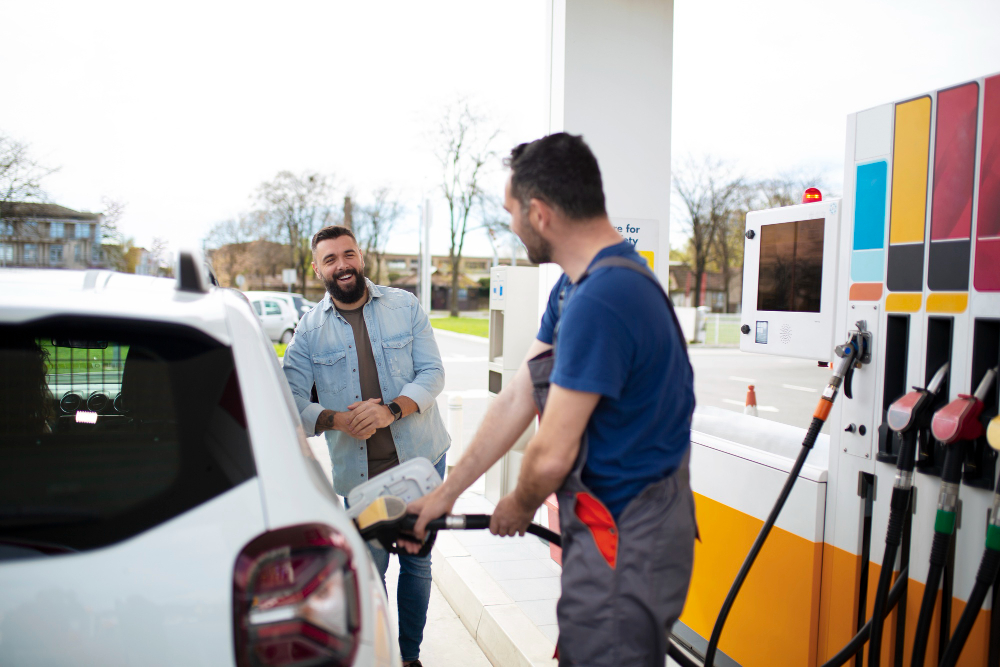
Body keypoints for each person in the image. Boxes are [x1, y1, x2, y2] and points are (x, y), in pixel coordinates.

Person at [409, 133, 697, 666]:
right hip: (606, 529)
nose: (511, 225)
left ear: (539, 214)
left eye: (511, 213)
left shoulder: (605, 297)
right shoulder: (574, 287)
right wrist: (445, 495)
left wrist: (516, 505)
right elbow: (519, 393)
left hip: (625, 540)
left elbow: (552, 452)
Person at [282, 225, 449, 667]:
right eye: (331, 259)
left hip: (420, 462)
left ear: (361, 257)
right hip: (364, 479)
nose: (342, 264)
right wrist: (336, 420)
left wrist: (390, 410)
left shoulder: (404, 305)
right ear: (317, 268)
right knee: (370, 572)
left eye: (348, 254)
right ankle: (377, 658)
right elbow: (289, 398)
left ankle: (409, 658)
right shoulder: (308, 331)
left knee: (417, 562)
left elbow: (433, 372)